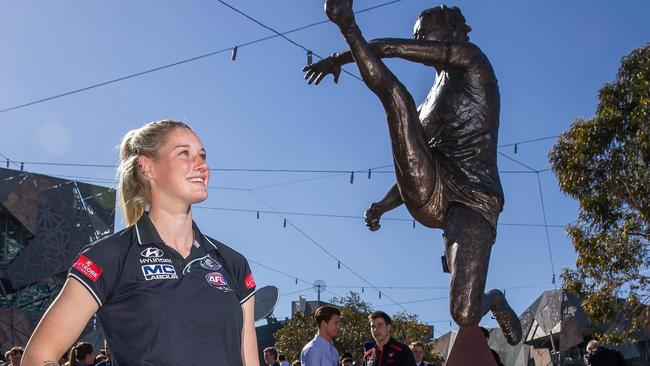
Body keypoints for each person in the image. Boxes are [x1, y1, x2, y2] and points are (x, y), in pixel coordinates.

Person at [304, 1, 521, 345]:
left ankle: (494, 299)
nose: (419, 39)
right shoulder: (425, 105)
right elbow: (416, 162)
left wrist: (341, 58)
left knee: (463, 313)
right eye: (417, 35)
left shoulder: (472, 60)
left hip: (475, 201)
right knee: (398, 101)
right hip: (434, 192)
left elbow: (391, 48)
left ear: (450, 31)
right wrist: (381, 205)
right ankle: (347, 23)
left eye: (424, 33)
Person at [22, 120, 259, 366]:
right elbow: (38, 356)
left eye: (202, 155)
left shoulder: (232, 263)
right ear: (147, 167)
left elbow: (249, 359)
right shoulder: (109, 256)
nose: (201, 166)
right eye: (184, 154)